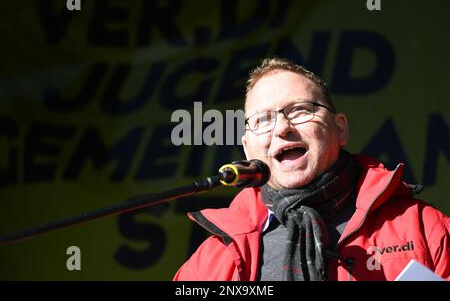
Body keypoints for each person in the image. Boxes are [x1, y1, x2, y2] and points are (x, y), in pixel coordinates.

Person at [173, 57, 449, 281]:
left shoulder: (425, 227)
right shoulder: (209, 264)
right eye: (263, 120)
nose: (282, 128)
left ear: (340, 128)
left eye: (300, 110)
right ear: (247, 149)